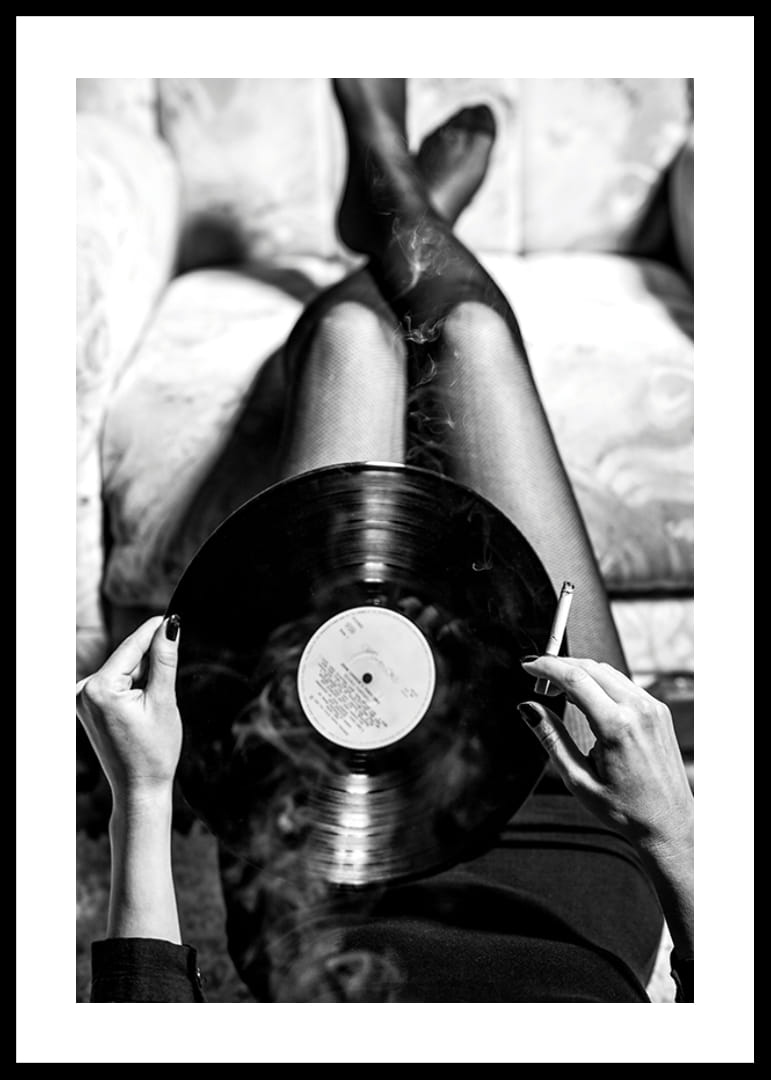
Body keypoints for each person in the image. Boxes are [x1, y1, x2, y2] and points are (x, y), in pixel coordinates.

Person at [76, 79, 694, 1003]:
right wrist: (673, 834)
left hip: (324, 857)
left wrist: (146, 796)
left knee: (356, 346)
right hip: (574, 813)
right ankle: (403, 197)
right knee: (472, 333)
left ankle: (392, 188)